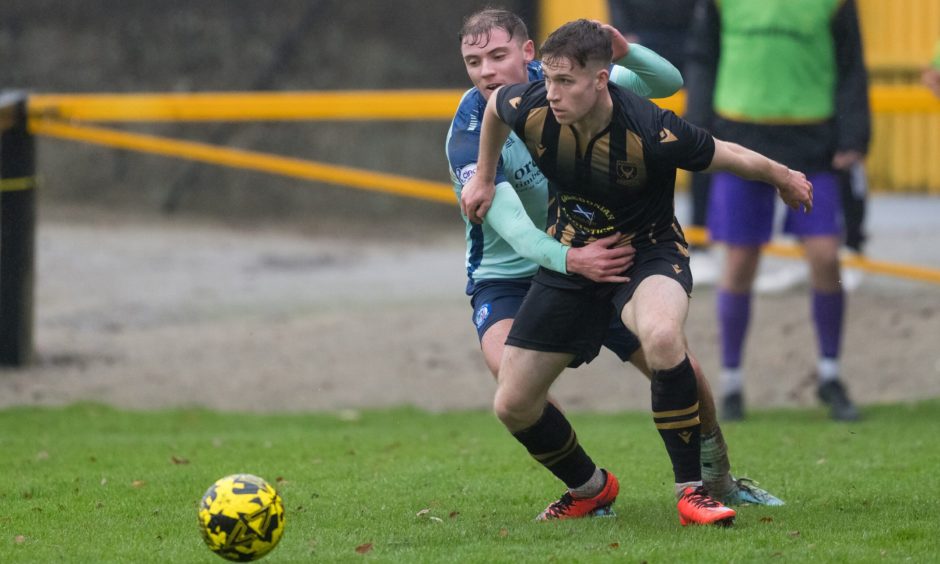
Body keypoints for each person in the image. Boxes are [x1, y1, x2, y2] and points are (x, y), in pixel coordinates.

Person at [460, 19, 811, 525]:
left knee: (665, 337)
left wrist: (784, 177)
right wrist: (487, 177)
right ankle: (589, 488)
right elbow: (495, 110)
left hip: (645, 255)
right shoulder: (531, 103)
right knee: (512, 404)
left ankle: (695, 491)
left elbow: (724, 153)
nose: (551, 94)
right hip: (571, 262)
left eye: (565, 83)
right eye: (549, 82)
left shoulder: (650, 127)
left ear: (602, 80)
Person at [684, 0, 870, 421]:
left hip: (813, 141)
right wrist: (696, 128)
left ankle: (830, 375)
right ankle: (730, 384)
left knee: (825, 256)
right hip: (739, 137)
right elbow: (702, 56)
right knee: (740, 261)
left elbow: (851, 63)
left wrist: (854, 135)